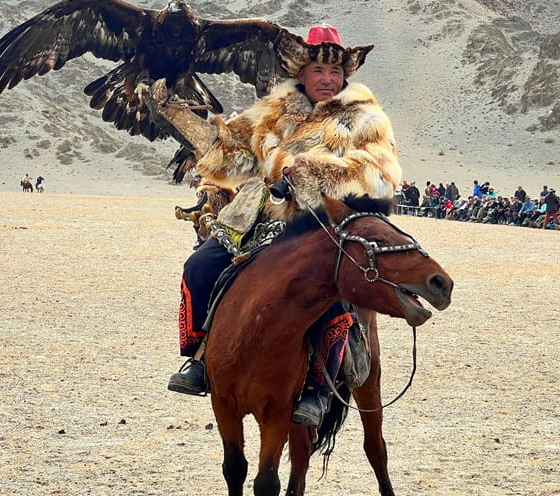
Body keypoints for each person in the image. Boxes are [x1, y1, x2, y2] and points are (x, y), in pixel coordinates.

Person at [167, 24, 401, 428]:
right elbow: (233, 155)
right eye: (318, 71)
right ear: (302, 73)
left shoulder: (364, 118)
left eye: (335, 73)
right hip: (256, 216)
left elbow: (378, 171)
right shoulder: (273, 111)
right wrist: (180, 117)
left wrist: (308, 172)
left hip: (320, 223)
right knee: (200, 266)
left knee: (332, 294)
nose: (327, 80)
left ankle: (318, 388)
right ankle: (199, 359)